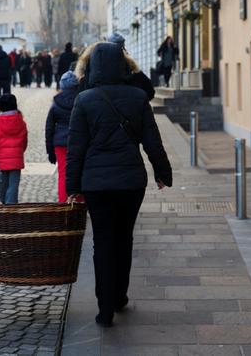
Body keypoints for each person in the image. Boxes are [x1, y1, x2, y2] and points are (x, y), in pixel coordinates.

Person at [67, 42, 172, 328]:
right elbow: (152, 140)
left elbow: (76, 148)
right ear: (123, 66)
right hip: (130, 181)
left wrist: (72, 186)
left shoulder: (84, 100)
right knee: (124, 238)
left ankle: (104, 308)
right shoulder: (137, 97)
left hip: (96, 184)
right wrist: (163, 173)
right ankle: (119, 295)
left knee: (102, 241)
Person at [46, 70, 79, 203]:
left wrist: (50, 151)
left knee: (63, 174)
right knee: (78, 172)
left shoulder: (56, 103)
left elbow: (49, 128)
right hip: (78, 141)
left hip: (60, 143)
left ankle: (63, 202)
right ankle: (79, 203)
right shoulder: (81, 99)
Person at [0, 94, 28, 205]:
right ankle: (11, 204)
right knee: (14, 184)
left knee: (3, 182)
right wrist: (20, 151)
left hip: (1, 159)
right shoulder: (21, 122)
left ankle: (3, 199)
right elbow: (24, 141)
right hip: (16, 159)